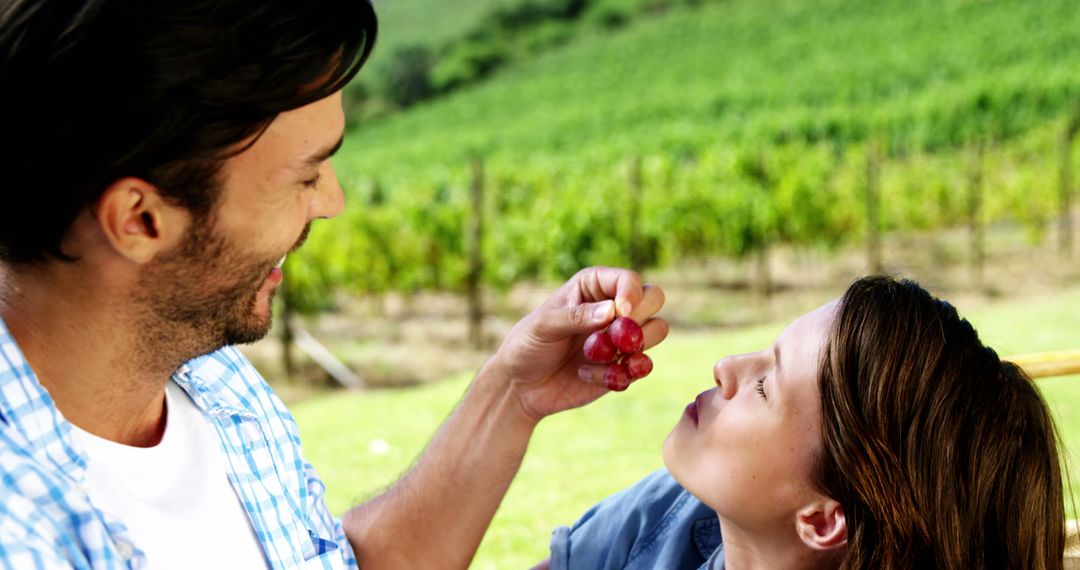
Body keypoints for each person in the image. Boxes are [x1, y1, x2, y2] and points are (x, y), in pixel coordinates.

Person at [0, 1, 669, 568]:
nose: (333, 201)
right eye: (307, 175)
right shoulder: (21, 529)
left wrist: (512, 395)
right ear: (141, 220)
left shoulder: (217, 389)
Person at [538, 276, 1067, 570]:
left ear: (822, 520)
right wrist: (516, 394)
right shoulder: (672, 516)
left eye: (766, 386)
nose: (725, 368)